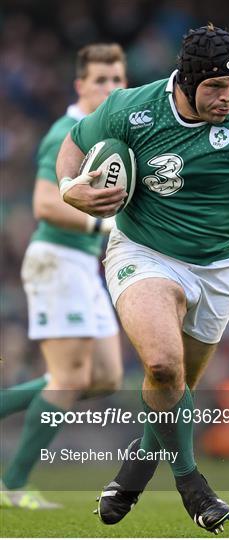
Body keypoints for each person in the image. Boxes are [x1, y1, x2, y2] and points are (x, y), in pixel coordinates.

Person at [56, 24, 229, 534]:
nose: (228, 97)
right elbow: (73, 147)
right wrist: (69, 189)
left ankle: (135, 471)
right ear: (185, 81)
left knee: (174, 390)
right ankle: (193, 485)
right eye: (215, 88)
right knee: (163, 366)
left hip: (218, 269)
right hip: (142, 252)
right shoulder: (132, 109)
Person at [0, 43, 127, 510]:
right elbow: (44, 203)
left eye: (117, 79)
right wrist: (102, 224)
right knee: (70, 378)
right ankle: (12, 485)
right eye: (100, 80)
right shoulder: (67, 133)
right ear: (80, 85)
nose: (111, 88)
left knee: (107, 376)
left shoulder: (107, 134)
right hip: (57, 259)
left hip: (81, 265)